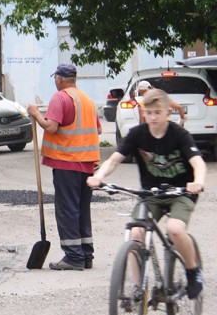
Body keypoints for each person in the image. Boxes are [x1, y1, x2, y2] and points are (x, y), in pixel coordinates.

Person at [87, 88, 205, 297]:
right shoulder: (137, 134)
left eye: (157, 112)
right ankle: (138, 288)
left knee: (175, 229)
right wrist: (100, 177)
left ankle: (192, 270)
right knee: (136, 232)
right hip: (151, 194)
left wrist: (197, 182)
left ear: (168, 112)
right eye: (149, 113)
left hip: (181, 193)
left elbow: (198, 163)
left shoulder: (179, 135)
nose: (153, 117)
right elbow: (114, 159)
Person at [27, 63, 102, 271]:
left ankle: (73, 257)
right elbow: (99, 129)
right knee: (81, 209)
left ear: (59, 79)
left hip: (67, 162)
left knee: (67, 209)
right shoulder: (88, 101)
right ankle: (86, 255)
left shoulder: (60, 98)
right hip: (87, 164)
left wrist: (35, 113)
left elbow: (51, 126)